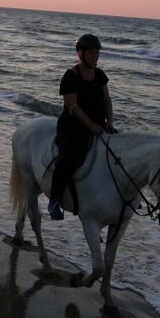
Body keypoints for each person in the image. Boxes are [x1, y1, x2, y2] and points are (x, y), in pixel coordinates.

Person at [47, 34, 116, 220]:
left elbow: (107, 101)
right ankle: (54, 200)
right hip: (72, 126)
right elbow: (72, 105)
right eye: (92, 53)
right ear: (81, 53)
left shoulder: (100, 75)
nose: (96, 56)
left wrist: (109, 122)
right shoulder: (71, 75)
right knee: (67, 158)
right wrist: (91, 125)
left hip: (98, 124)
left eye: (97, 53)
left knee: (117, 154)